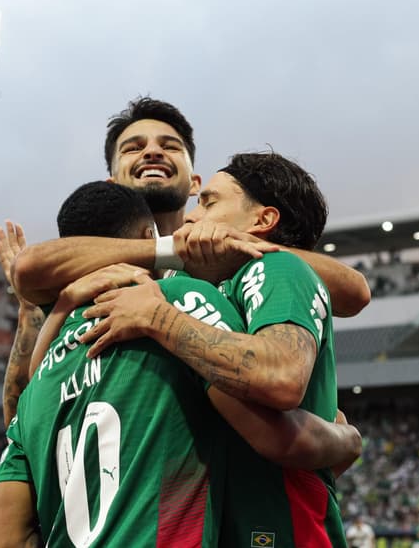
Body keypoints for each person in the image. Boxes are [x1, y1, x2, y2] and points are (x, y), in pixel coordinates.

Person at [0, 182, 361, 548]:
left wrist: (52, 311)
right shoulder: (178, 300)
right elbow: (277, 427)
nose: (192, 221)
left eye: (208, 202)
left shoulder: (38, 383)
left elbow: (3, 539)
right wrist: (344, 439)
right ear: (148, 234)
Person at [0, 96, 370, 425]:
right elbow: (25, 424)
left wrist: (232, 245)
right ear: (110, 183)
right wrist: (169, 249)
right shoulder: (83, 274)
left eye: (170, 145)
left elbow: (353, 291)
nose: (153, 152)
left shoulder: (229, 254)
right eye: (133, 148)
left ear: (195, 183)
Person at [79, 153, 350, 546]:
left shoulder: (278, 269)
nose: (191, 217)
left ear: (262, 221)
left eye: (209, 202)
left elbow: (283, 375)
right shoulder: (221, 288)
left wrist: (160, 319)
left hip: (284, 533)